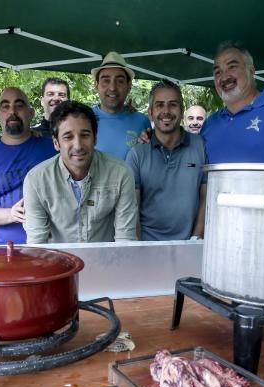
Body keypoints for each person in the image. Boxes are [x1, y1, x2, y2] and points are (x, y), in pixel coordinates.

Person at [23, 100, 138, 243]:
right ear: (56, 143)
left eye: (85, 135)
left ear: (95, 138)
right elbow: (37, 246)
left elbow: (125, 240)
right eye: (68, 137)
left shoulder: (121, 174)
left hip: (107, 262)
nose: (78, 146)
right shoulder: (35, 181)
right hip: (58, 263)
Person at [0, 87, 56, 245]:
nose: (12, 111)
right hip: (3, 253)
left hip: (50, 248)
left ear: (31, 113)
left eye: (19, 105)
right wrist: (12, 214)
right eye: (5, 106)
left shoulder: (54, 148)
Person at [126, 80, 207, 241]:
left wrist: (196, 237)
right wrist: (139, 249)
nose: (166, 111)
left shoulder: (200, 146)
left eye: (173, 105)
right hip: (148, 247)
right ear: (150, 112)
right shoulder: (137, 154)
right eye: (160, 105)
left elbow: (206, 197)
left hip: (190, 245)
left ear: (182, 110)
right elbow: (131, 210)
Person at [91, 51, 150, 160]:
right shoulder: (85, 119)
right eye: (106, 81)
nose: (113, 87)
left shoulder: (142, 121)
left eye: (120, 81)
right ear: (96, 85)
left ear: (129, 86)